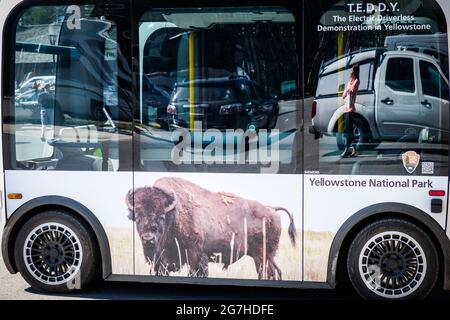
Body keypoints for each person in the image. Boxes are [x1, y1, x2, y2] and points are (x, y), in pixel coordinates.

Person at [341, 64, 360, 158]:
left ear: (355, 72)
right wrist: (348, 90)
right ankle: (354, 149)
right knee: (349, 130)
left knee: (348, 131)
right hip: (346, 108)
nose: (350, 72)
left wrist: (348, 90)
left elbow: (351, 92)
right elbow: (344, 95)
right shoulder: (350, 81)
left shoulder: (356, 81)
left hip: (351, 109)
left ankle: (347, 149)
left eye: (352, 70)